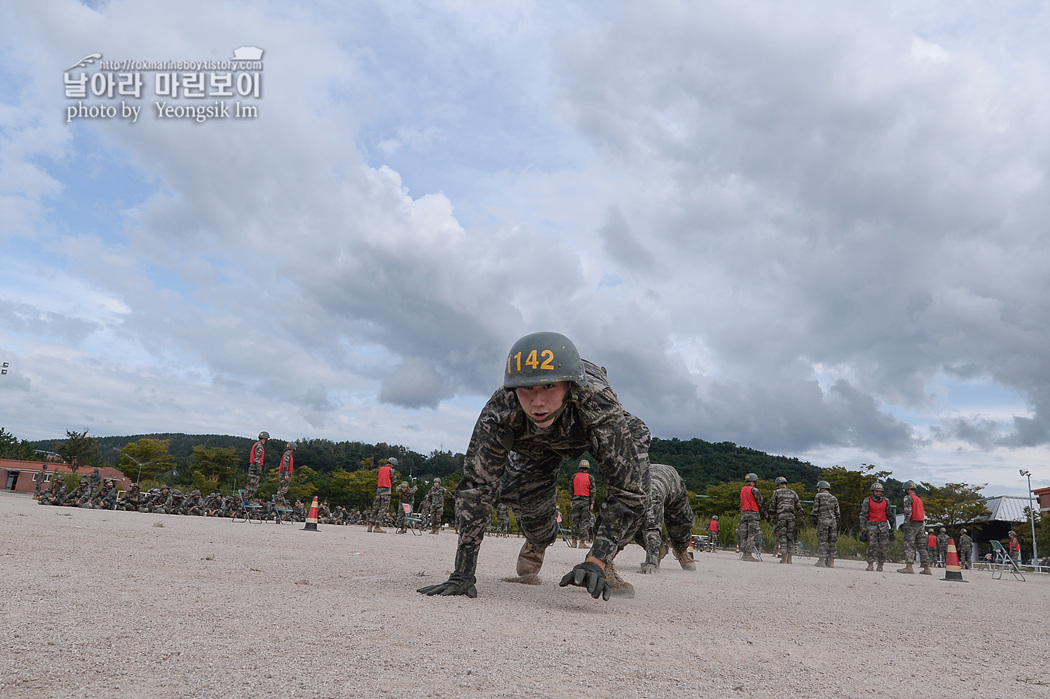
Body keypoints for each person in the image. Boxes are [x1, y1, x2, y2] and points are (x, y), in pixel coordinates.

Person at [417, 331, 649, 601]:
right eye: (527, 389)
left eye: (549, 387)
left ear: (569, 385)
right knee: (522, 495)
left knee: (640, 482)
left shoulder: (597, 403)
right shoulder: (501, 410)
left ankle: (604, 563)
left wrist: (596, 559)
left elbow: (627, 492)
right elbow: (476, 488)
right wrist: (463, 572)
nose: (538, 402)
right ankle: (538, 541)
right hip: (535, 445)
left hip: (587, 429)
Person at [636, 463, 696, 574]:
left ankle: (681, 551)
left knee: (680, 524)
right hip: (646, 481)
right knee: (634, 529)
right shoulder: (623, 496)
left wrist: (651, 563)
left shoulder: (652, 495)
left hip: (673, 485)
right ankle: (659, 549)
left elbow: (652, 529)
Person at [897, 480, 932, 575]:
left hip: (912, 523)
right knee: (922, 547)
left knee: (909, 544)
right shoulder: (918, 499)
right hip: (921, 524)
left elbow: (907, 512)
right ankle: (927, 568)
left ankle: (909, 567)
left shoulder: (908, 498)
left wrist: (905, 524)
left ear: (907, 489)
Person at [768, 476, 804, 563]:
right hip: (791, 516)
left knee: (782, 536)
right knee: (790, 536)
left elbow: (772, 506)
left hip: (781, 516)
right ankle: (790, 558)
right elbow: (799, 507)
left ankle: (783, 557)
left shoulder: (776, 492)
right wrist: (802, 518)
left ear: (778, 484)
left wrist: (771, 517)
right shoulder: (793, 493)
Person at [859, 483, 892, 571]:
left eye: (879, 491)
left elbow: (889, 514)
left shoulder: (886, 501)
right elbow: (863, 515)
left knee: (884, 546)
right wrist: (862, 528)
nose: (878, 493)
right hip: (871, 525)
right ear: (873, 491)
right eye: (876, 491)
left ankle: (880, 564)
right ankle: (870, 564)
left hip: (883, 526)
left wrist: (892, 528)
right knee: (871, 545)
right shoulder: (867, 500)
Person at [811, 480, 840, 568]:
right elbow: (838, 513)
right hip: (833, 522)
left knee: (823, 541)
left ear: (821, 488)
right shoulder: (834, 498)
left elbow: (815, 510)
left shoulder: (819, 496)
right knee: (832, 542)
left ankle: (822, 561)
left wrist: (814, 519)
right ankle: (831, 562)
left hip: (823, 521)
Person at [569, 460, 596, 548]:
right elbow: (592, 491)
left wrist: (571, 500)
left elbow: (571, 489)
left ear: (580, 467)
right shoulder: (590, 477)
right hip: (586, 502)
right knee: (585, 522)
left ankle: (573, 542)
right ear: (587, 468)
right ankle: (582, 543)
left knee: (575, 522)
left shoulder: (574, 476)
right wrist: (592, 503)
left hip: (576, 501)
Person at [367, 458, 398, 533]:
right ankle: (377, 526)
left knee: (375, 508)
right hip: (386, 491)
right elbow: (394, 480)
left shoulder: (380, 469)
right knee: (383, 509)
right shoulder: (391, 470)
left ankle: (370, 525)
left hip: (379, 490)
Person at [738, 473, 764, 562]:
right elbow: (760, 502)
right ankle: (749, 554)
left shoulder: (742, 490)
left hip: (744, 513)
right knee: (752, 533)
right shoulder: (754, 490)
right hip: (753, 513)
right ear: (754, 481)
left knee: (744, 533)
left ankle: (744, 553)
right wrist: (765, 513)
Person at [245, 431, 268, 500]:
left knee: (251, 484)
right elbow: (257, 458)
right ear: (265, 439)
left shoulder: (256, 444)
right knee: (253, 484)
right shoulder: (259, 446)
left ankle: (248, 498)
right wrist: (258, 468)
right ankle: (247, 499)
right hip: (255, 467)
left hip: (252, 466)